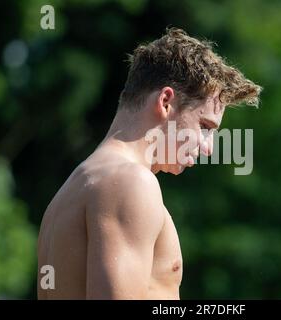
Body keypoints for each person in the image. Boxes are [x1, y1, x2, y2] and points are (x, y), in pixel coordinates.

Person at [37, 28, 261, 299]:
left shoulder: (70, 191)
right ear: (166, 102)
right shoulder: (130, 183)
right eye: (204, 126)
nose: (209, 147)